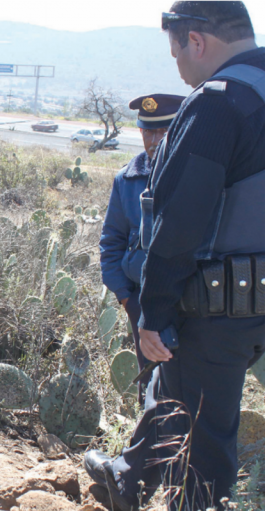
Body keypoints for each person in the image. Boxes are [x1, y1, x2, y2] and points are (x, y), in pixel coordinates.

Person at [85, 1, 265, 511]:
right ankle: (127, 482)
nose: (179, 69)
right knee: (173, 392)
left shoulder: (217, 103)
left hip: (215, 306)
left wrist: (154, 310)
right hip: (256, 298)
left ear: (198, 41)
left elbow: (184, 218)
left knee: (205, 445)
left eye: (176, 54)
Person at [99, 93, 185, 403]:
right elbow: (111, 244)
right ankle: (149, 441)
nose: (155, 140)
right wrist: (126, 299)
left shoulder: (197, 175)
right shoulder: (128, 179)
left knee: (189, 382)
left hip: (188, 300)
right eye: (148, 131)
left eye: (164, 131)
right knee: (149, 381)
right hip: (141, 300)